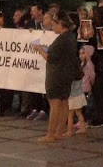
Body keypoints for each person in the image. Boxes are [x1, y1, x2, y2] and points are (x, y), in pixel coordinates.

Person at [32, 11, 80, 143]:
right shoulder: (70, 37)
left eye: (54, 24)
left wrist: (40, 50)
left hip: (56, 74)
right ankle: (59, 132)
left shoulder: (61, 39)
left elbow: (51, 58)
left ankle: (50, 134)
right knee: (64, 103)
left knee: (54, 104)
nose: (52, 27)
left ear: (60, 24)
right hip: (66, 74)